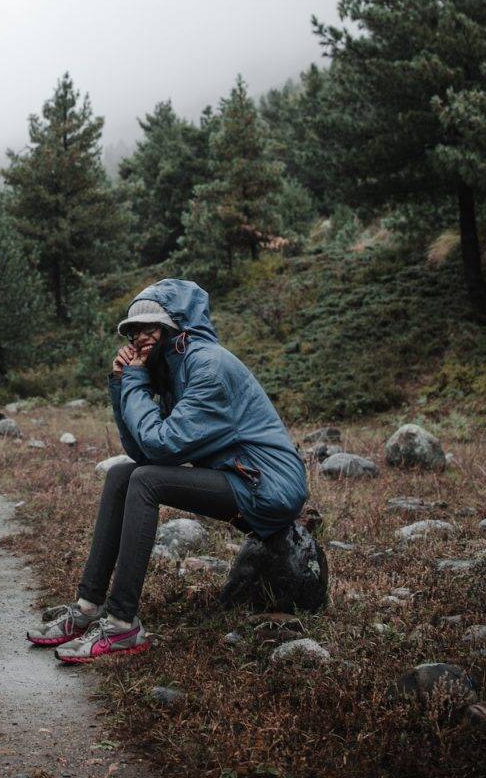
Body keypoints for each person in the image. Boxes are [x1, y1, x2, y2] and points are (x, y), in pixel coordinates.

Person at [27, 278, 308, 663]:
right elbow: (139, 449)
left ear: (178, 327)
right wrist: (120, 383)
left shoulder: (208, 367)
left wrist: (137, 380)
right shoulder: (174, 368)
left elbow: (162, 446)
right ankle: (88, 608)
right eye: (134, 330)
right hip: (237, 476)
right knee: (122, 474)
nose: (141, 338)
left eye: (150, 327)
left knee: (145, 480)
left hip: (268, 485)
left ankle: (122, 625)